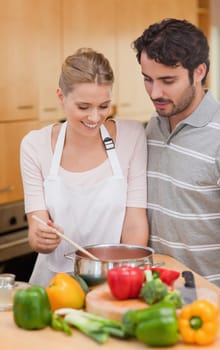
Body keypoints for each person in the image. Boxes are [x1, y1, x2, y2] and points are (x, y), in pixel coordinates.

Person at [20, 48, 149, 287]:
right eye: (83, 106)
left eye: (103, 106)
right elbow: (35, 226)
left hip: (112, 282)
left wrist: (128, 281)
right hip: (52, 286)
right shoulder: (34, 145)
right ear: (61, 96)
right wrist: (40, 239)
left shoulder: (132, 137)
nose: (94, 117)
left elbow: (134, 223)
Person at [133, 18, 220, 295]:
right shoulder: (154, 125)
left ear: (199, 71)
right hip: (156, 296)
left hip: (214, 302)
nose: (155, 93)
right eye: (147, 79)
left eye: (168, 80)